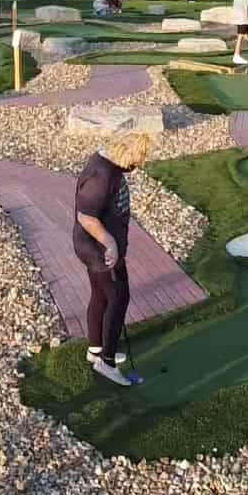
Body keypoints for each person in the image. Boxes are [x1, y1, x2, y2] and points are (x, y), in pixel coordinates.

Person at [72, 132, 153, 387]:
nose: (136, 165)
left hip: (98, 248)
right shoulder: (102, 175)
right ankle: (106, 363)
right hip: (100, 251)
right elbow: (86, 217)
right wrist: (111, 245)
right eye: (136, 160)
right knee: (119, 298)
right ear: (124, 152)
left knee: (101, 295)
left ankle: (96, 348)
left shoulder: (109, 165)